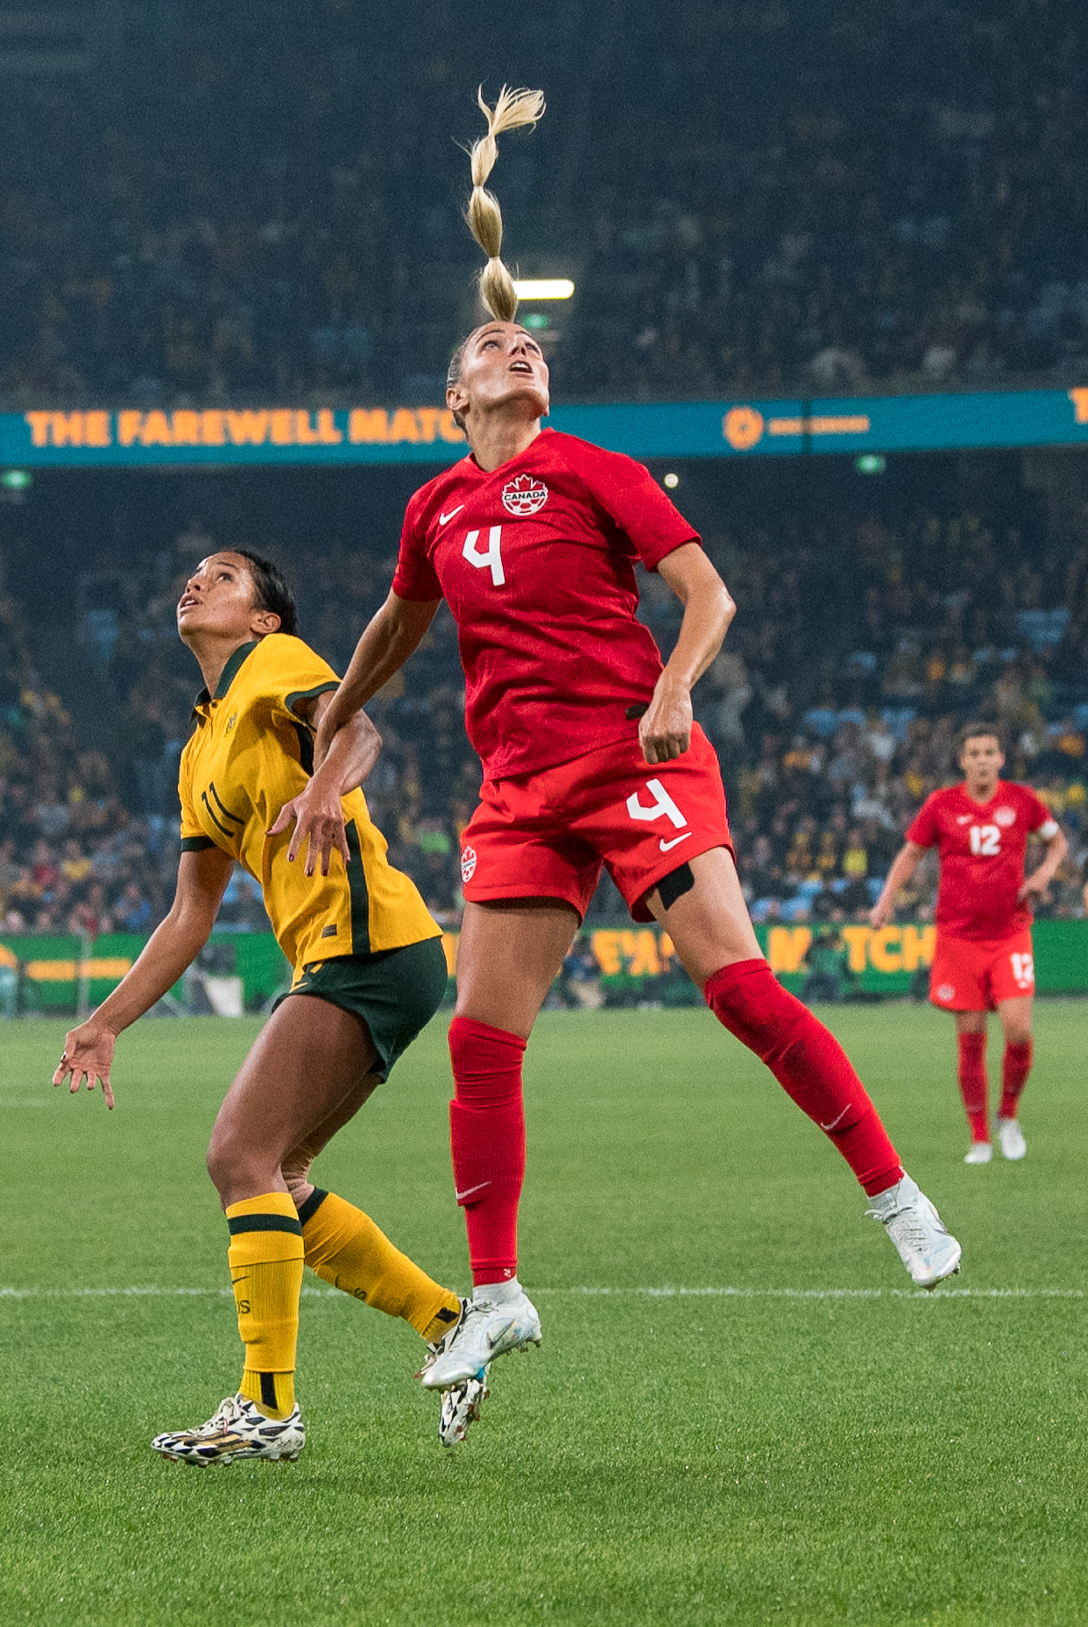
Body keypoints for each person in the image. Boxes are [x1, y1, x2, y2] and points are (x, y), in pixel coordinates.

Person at [284, 87, 963, 1397]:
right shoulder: (433, 505)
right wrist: (330, 737)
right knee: (483, 1036)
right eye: (493, 344)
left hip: (636, 757)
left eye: (527, 341)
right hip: (522, 792)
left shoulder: (599, 468)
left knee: (741, 989)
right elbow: (391, 630)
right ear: (455, 394)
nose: (514, 345)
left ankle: (897, 1198)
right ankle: (496, 1294)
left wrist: (673, 687)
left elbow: (708, 593)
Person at [53, 549, 484, 1461]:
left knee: (236, 1153)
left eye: (224, 575)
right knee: (277, 1175)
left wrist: (326, 783)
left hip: (369, 945)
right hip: (353, 956)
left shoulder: (277, 664)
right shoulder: (200, 748)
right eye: (194, 574)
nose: (197, 582)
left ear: (262, 618)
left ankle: (269, 1407)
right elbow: (188, 915)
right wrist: (105, 1021)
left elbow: (357, 731)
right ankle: (449, 1322)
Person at [870, 725, 1067, 1164]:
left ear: (1001, 758)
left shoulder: (1022, 800)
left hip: (1010, 933)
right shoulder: (942, 803)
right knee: (971, 1037)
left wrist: (1043, 875)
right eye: (974, 753)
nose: (981, 759)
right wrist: (885, 901)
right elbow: (910, 854)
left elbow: (1057, 842)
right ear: (962, 761)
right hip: (959, 937)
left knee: (1019, 1029)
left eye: (989, 752)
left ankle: (1008, 1116)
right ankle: (979, 1137)